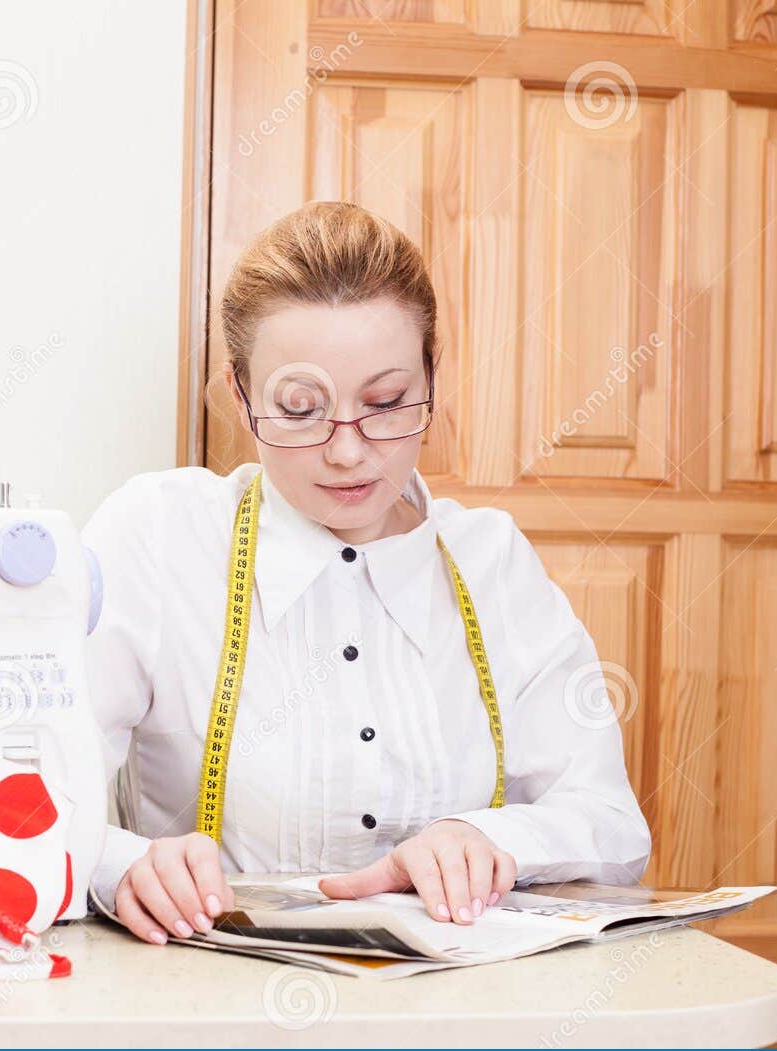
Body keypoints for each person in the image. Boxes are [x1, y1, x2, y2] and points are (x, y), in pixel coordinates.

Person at [82, 200, 651, 945]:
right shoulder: (160, 537)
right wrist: (121, 864)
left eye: (385, 404)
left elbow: (613, 823)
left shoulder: (492, 562)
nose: (348, 452)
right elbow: (20, 800)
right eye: (299, 408)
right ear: (240, 395)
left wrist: (490, 838)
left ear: (431, 379)